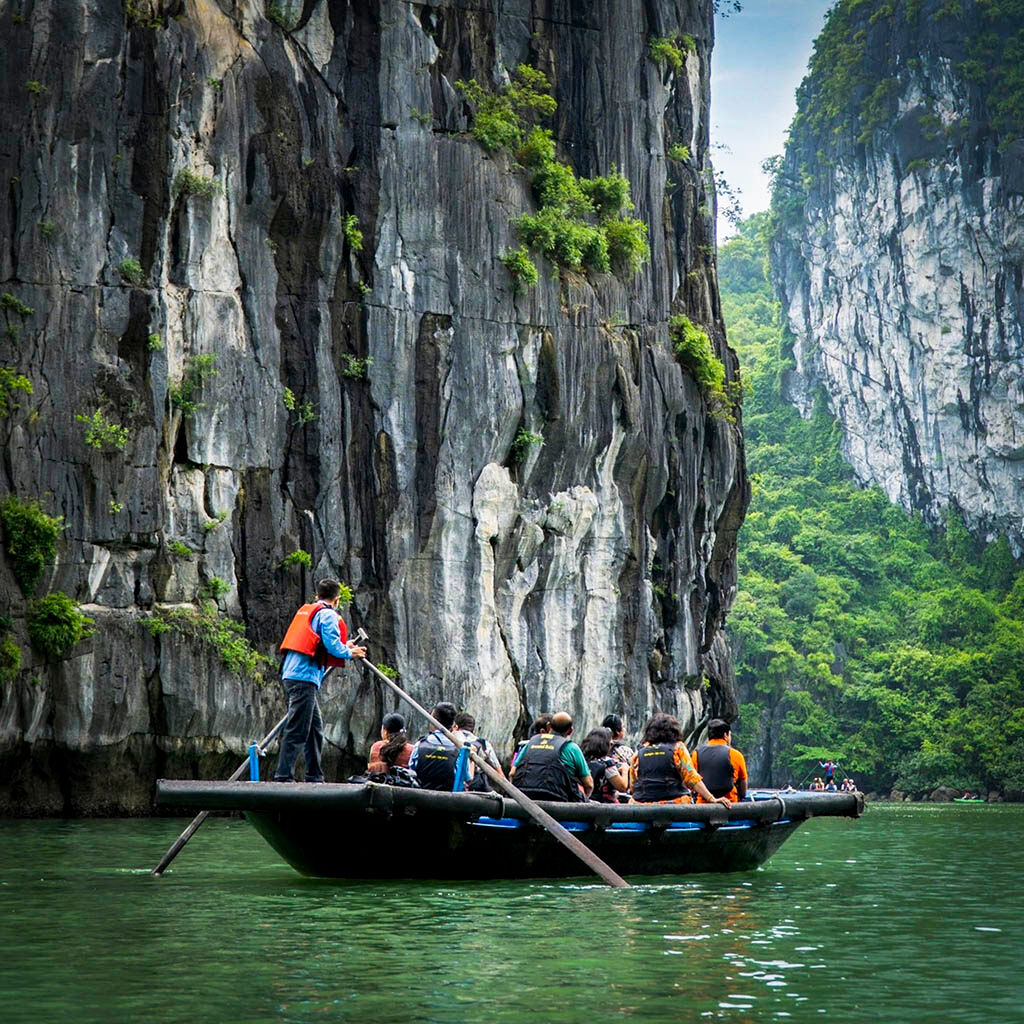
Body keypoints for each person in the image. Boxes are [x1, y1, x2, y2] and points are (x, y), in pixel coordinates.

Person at [274, 578, 366, 782]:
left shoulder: (311, 611)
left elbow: (321, 642)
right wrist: (350, 653)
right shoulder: (328, 615)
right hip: (303, 678)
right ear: (337, 599)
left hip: (292, 674)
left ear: (317, 595)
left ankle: (314, 775)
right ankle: (283, 776)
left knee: (314, 730)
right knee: (298, 729)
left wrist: (346, 645)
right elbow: (332, 646)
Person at [630, 712, 731, 806]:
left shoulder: (639, 752)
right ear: (674, 730)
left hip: (642, 805)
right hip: (673, 804)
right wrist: (711, 798)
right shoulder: (677, 748)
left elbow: (633, 785)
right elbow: (691, 778)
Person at [509, 711, 592, 801]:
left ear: (549, 725)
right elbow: (589, 785)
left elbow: (512, 773)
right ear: (570, 731)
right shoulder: (571, 747)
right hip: (557, 797)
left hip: (523, 794)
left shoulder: (531, 742)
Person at [690, 719, 748, 803]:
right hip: (730, 804)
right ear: (725, 735)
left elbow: (692, 781)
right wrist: (741, 795)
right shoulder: (736, 755)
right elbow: (743, 784)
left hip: (703, 805)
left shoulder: (696, 754)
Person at [409, 702, 463, 791]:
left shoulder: (420, 745)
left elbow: (411, 769)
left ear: (433, 721)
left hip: (421, 795)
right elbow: (466, 778)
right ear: (453, 724)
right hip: (450, 797)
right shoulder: (459, 750)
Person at [454, 711, 505, 792]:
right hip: (476, 785)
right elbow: (498, 770)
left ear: (456, 726)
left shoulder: (452, 738)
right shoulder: (483, 744)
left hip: (453, 783)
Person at [580, 727, 630, 803]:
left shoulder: (582, 758)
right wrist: (625, 769)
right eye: (610, 743)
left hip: (583, 799)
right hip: (604, 804)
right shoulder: (607, 762)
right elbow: (622, 786)